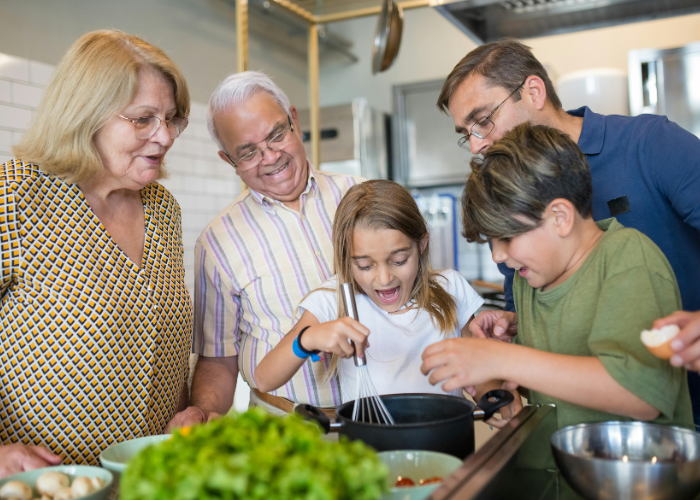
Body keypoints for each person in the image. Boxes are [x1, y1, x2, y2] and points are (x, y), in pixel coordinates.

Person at [437, 38, 700, 425]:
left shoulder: (650, 144)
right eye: (466, 132)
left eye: (483, 120)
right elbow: (527, 320)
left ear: (533, 91)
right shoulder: (512, 204)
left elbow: (637, 388)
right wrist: (509, 336)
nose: (477, 145)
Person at [0, 30, 193, 472]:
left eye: (171, 119)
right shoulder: (14, 197)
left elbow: (168, 346)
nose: (164, 137)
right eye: (143, 119)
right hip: (50, 483)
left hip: (154, 478)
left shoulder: (163, 210)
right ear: (86, 115)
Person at [166, 72, 364, 427]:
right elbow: (218, 359)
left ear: (294, 121)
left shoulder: (363, 197)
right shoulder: (216, 244)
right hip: (286, 427)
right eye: (248, 152)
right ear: (229, 161)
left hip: (383, 415)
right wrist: (206, 412)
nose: (271, 157)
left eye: (276, 135)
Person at [254, 180, 519, 422]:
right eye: (365, 265)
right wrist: (307, 339)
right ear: (347, 258)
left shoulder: (450, 289)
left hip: (446, 442)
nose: (384, 278)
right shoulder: (331, 301)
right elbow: (265, 379)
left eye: (399, 261)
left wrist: (493, 397)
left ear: (422, 244)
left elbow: (479, 375)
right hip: (369, 455)